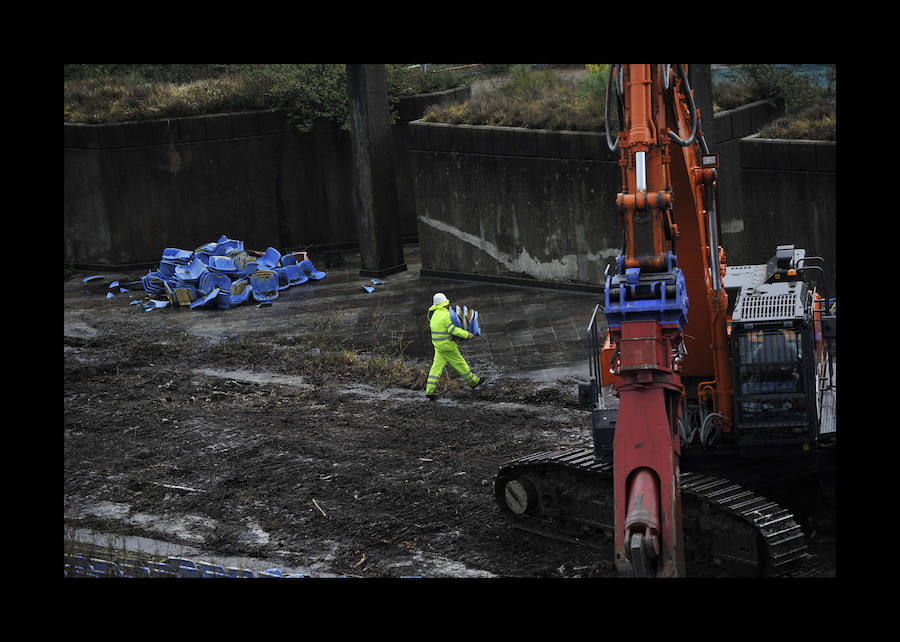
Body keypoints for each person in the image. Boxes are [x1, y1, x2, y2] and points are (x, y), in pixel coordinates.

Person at [425, 292, 484, 399]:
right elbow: (453, 330)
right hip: (448, 347)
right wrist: (468, 335)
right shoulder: (446, 315)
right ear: (444, 304)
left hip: (439, 347)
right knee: (460, 364)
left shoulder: (434, 316)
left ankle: (429, 391)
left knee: (435, 369)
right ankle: (473, 382)